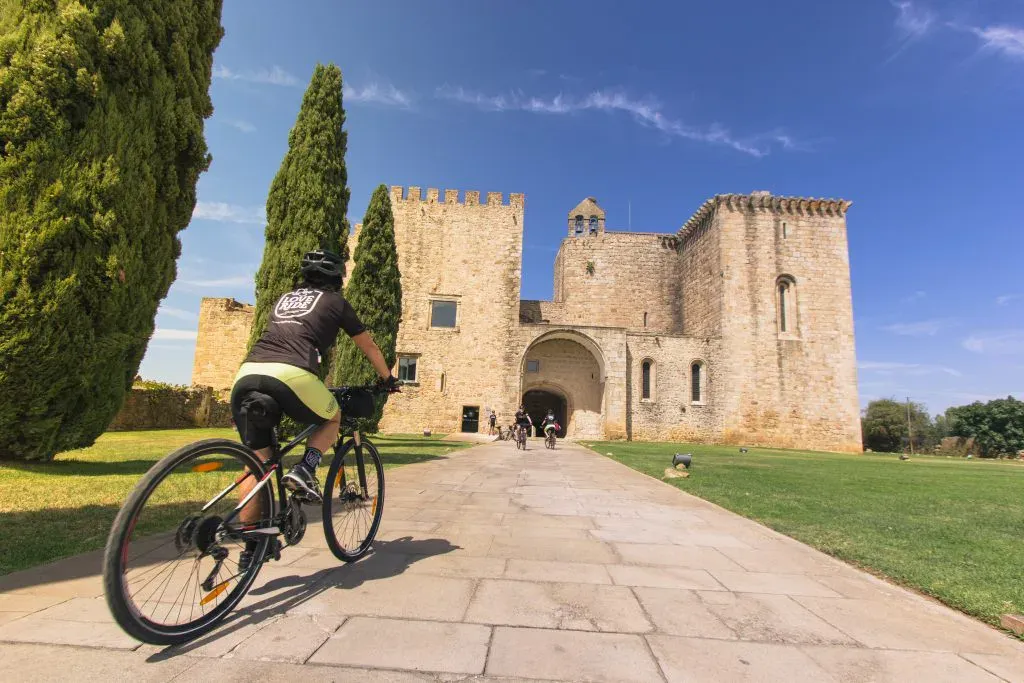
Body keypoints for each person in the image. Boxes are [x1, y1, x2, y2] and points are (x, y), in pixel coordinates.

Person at [230, 249, 397, 567]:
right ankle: (306, 467)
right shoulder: (335, 302)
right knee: (332, 415)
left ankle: (253, 546)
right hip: (292, 375)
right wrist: (387, 378)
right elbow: (369, 346)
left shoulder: (283, 300)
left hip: (247, 375)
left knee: (258, 465)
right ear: (336, 278)